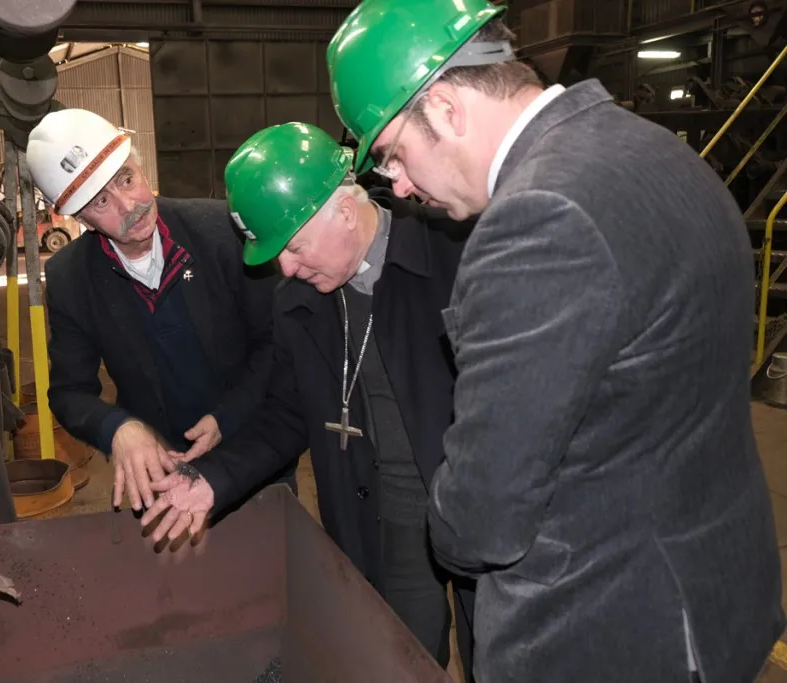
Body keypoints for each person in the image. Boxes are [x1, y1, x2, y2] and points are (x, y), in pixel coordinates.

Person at [324, 2, 785, 682]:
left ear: (445, 108)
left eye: (393, 154)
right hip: (713, 593)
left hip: (607, 631)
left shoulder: (538, 218)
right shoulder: (653, 150)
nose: (399, 185)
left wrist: (444, 513)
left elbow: (480, 518)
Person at [141, 122, 478, 679]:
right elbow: (288, 413)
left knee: (494, 648)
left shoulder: (456, 258)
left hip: (477, 505)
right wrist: (213, 479)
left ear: (345, 210)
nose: (287, 269)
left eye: (294, 247)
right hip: (386, 517)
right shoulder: (299, 302)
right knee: (397, 658)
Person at [26, 108, 295, 511]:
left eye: (127, 179)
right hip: (161, 472)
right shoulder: (71, 279)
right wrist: (117, 428)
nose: (129, 205)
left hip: (254, 453)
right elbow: (69, 392)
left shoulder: (221, 232)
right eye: (101, 201)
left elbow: (278, 342)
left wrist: (227, 417)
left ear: (139, 166)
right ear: (81, 217)